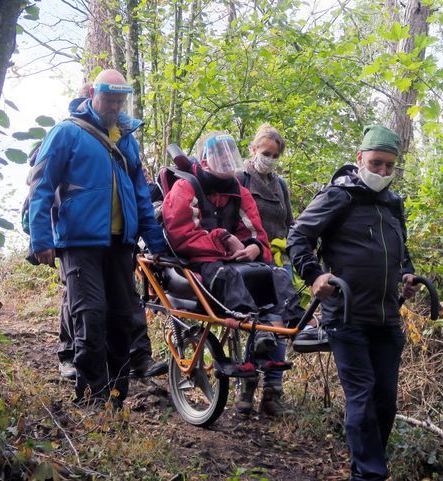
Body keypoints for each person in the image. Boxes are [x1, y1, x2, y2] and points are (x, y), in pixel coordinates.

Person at [29, 69, 167, 409]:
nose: (114, 105)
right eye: (109, 99)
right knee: (90, 315)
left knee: (123, 319)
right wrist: (41, 239)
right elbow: (41, 187)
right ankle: (91, 397)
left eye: (120, 100)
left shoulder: (126, 139)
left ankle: (116, 397)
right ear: (93, 94)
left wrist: (159, 244)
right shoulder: (66, 132)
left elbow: (139, 198)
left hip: (121, 244)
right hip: (79, 242)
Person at [287, 125, 418, 481]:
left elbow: (402, 252)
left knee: (385, 402)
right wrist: (314, 275)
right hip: (346, 316)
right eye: (376, 163)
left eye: (390, 166)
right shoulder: (338, 196)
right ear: (360, 158)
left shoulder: (393, 204)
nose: (382, 172)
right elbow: (298, 237)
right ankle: (370, 475)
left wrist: (407, 275)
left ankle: (365, 467)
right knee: (361, 396)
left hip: (387, 318)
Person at [161, 132, 302, 416]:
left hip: (235, 259)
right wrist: (223, 240)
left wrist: (253, 247)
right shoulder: (186, 187)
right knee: (232, 277)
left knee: (274, 274)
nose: (226, 162)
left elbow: (254, 232)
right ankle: (252, 325)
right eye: (220, 157)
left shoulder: (239, 190)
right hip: (202, 261)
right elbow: (182, 235)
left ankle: (289, 324)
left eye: (229, 157)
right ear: (206, 159)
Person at [241, 123, 328, 351]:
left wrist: (306, 248)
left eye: (275, 155)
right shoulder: (241, 178)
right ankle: (249, 379)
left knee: (283, 315)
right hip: (252, 260)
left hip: (280, 260)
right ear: (253, 149)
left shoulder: (279, 185)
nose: (269, 159)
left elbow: (290, 223)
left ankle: (273, 383)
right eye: (265, 153)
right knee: (261, 321)